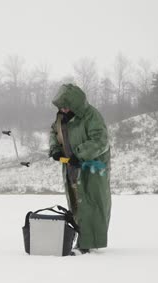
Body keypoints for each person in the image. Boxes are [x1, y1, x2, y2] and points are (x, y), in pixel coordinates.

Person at [48, 84, 111, 255]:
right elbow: (54, 133)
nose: (63, 109)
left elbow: (101, 140)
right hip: (71, 167)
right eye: (61, 106)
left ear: (76, 103)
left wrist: (80, 154)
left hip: (91, 169)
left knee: (92, 204)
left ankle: (87, 243)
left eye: (66, 105)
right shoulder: (62, 117)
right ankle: (80, 240)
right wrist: (54, 149)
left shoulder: (92, 116)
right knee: (76, 204)